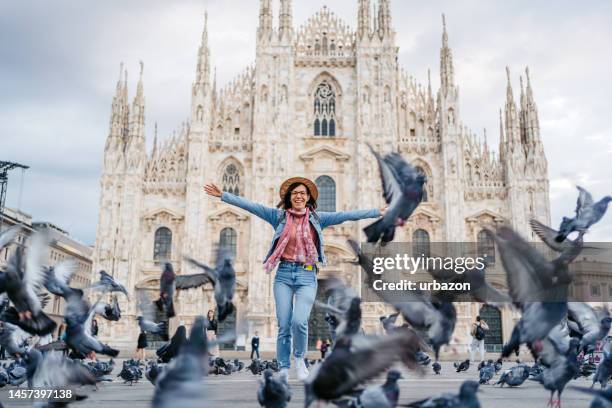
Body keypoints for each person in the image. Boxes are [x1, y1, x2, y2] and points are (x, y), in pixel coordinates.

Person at [204, 178, 382, 380]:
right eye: (295, 193)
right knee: (284, 324)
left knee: (299, 321)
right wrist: (223, 195)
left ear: (309, 198)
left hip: (307, 274)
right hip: (284, 274)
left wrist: (378, 212)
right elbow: (252, 206)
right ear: (289, 197)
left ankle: (299, 359)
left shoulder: (318, 218)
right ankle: (283, 366)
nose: (299, 196)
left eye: (303, 193)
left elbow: (346, 215)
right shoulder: (278, 217)